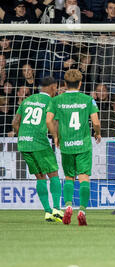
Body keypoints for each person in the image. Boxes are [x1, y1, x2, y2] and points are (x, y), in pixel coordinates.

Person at [46, 69, 101, 226]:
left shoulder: (57, 100)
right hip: (83, 144)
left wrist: (56, 136)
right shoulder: (88, 99)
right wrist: (97, 133)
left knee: (69, 177)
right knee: (84, 176)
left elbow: (49, 120)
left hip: (66, 145)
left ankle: (68, 205)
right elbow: (96, 122)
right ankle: (82, 210)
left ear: (64, 83)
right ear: (80, 83)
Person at [11, 77, 63, 222]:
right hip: (39, 142)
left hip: (24, 142)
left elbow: (15, 123)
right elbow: (53, 122)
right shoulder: (52, 102)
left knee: (40, 176)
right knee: (53, 174)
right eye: (56, 88)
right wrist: (56, 137)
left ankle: (47, 211)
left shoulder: (27, 100)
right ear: (53, 87)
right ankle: (57, 210)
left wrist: (24, 135)